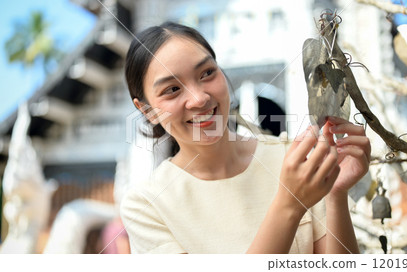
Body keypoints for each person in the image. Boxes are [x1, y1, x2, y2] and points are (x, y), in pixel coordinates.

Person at [120, 22, 371, 254]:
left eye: (207, 73)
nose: (199, 98)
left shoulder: (295, 161)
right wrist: (289, 204)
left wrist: (335, 194)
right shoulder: (145, 205)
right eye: (172, 89)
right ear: (147, 111)